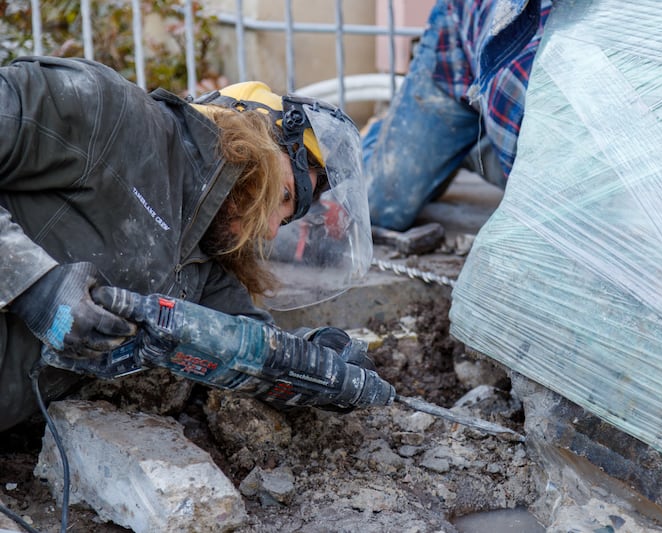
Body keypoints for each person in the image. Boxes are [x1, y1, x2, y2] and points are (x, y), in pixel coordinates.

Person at [0, 55, 378, 432]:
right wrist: (33, 284)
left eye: (286, 218)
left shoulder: (202, 269)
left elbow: (250, 350)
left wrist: (319, 362)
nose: (269, 232)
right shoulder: (105, 112)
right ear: (251, 135)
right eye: (283, 196)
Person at [363, 0, 553, 232]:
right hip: (460, 45)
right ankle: (396, 133)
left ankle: (464, 147)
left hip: (512, 126)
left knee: (549, 194)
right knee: (377, 206)